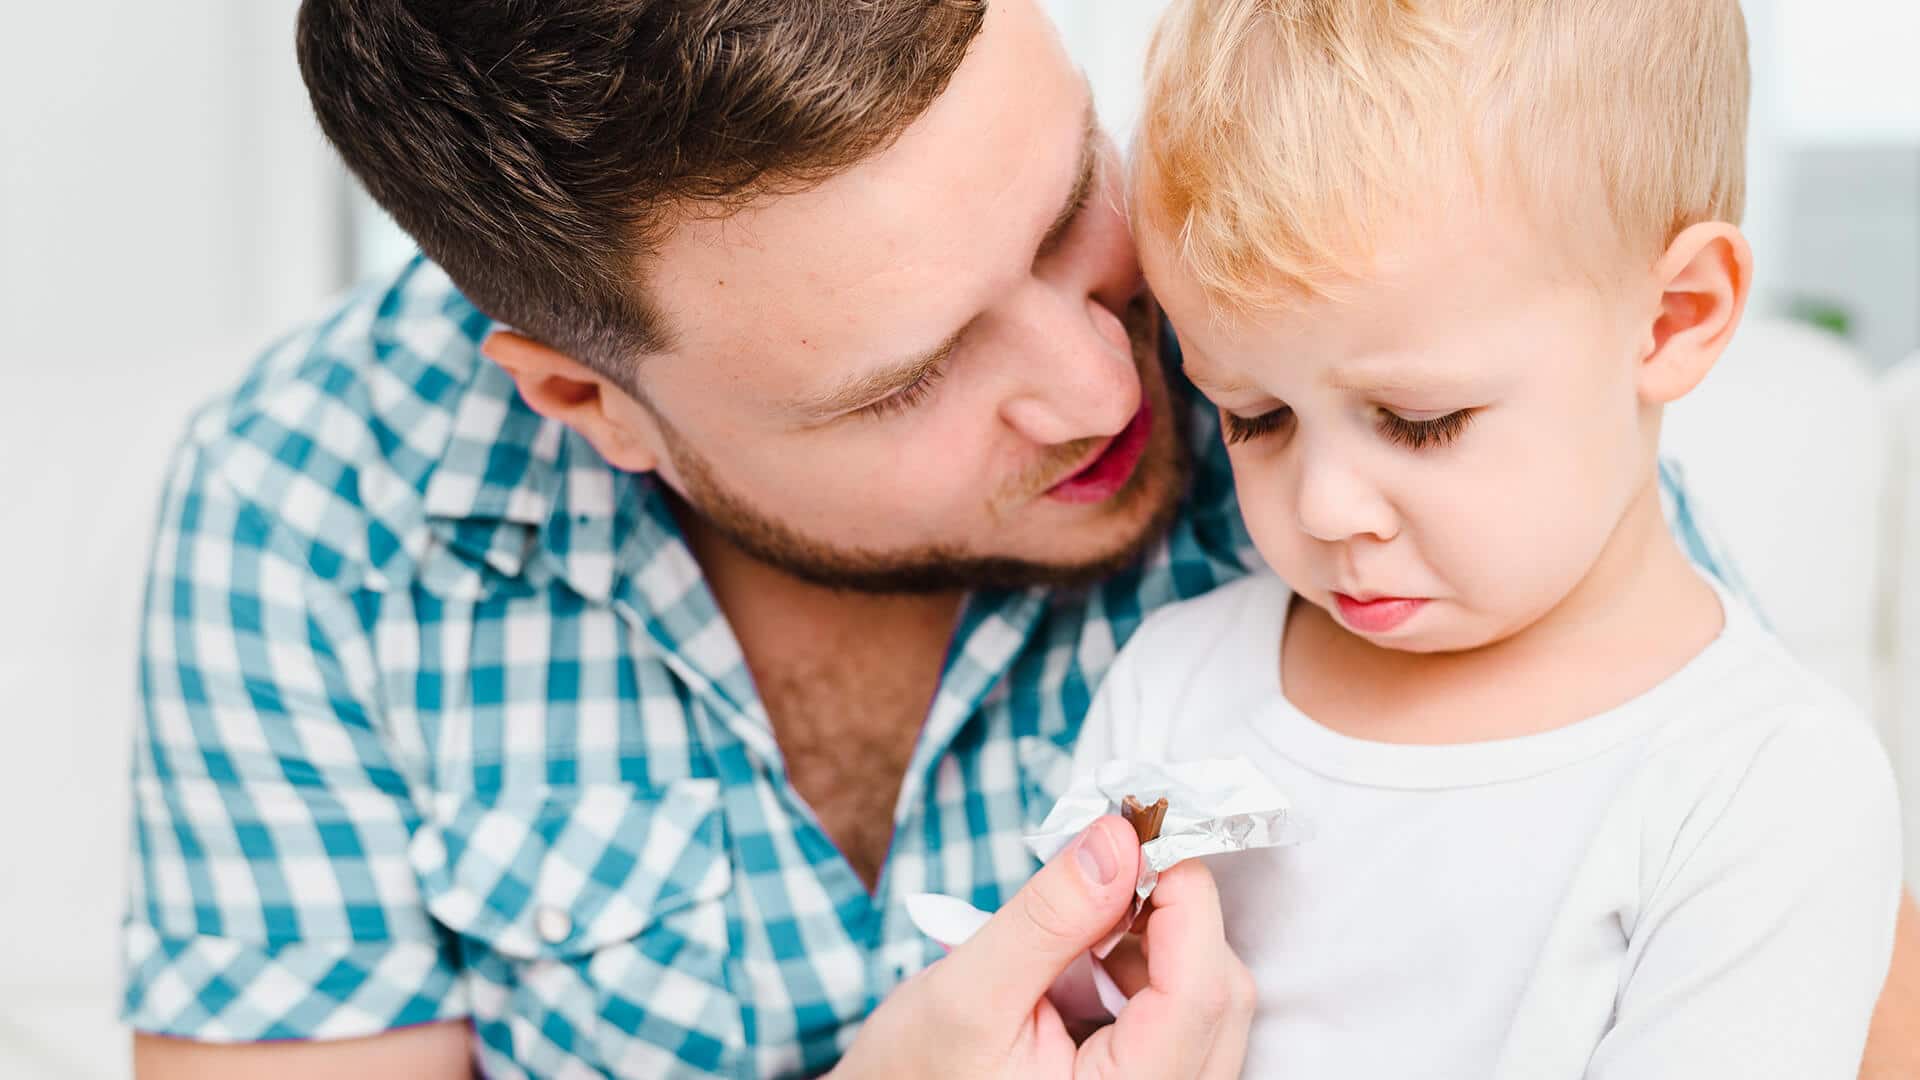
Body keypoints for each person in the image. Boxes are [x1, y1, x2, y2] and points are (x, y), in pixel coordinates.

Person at [118, 0, 1920, 1077]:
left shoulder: (1352, 368)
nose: (1109, 382)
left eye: (1068, 207)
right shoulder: (318, 522)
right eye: (909, 380)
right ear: (593, 404)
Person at [1070, 0, 1909, 1076]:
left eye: (1419, 422)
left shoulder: (1766, 789)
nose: (1325, 507)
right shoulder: (1171, 689)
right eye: (1254, 416)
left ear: (1674, 318)